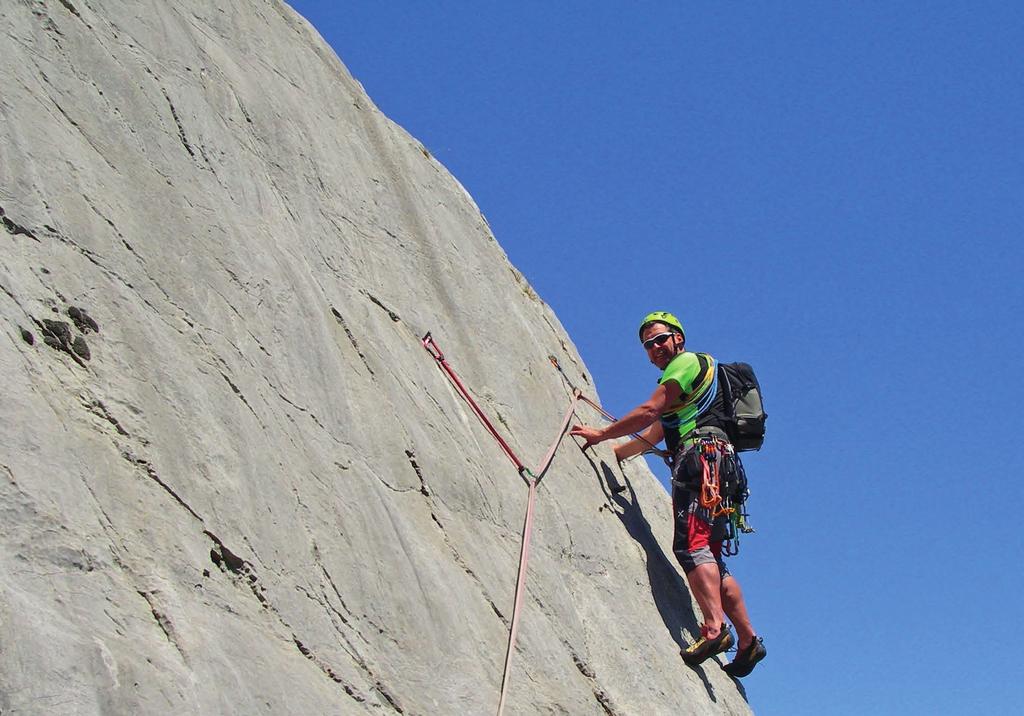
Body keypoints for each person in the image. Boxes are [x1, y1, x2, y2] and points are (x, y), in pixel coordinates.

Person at [569, 311, 766, 677]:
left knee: (691, 547)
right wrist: (612, 454)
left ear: (679, 338)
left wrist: (600, 434)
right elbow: (655, 433)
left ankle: (713, 629)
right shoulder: (698, 389)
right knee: (712, 558)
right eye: (648, 344)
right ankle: (748, 640)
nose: (656, 348)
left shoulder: (686, 364)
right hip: (722, 470)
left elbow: (649, 411)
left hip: (700, 464)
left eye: (661, 339)